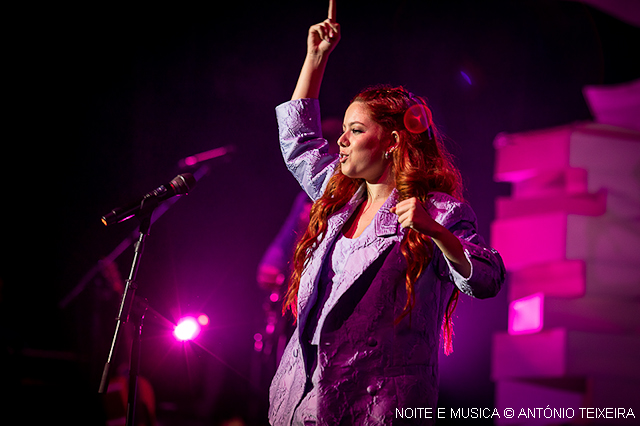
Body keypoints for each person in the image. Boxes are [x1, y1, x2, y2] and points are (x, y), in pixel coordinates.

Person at [269, 2, 505, 425]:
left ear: (393, 141)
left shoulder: (439, 211)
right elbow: (300, 142)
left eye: (356, 131)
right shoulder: (339, 199)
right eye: (343, 130)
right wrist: (315, 59)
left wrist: (435, 232)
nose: (341, 140)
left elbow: (487, 279)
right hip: (302, 404)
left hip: (376, 409)